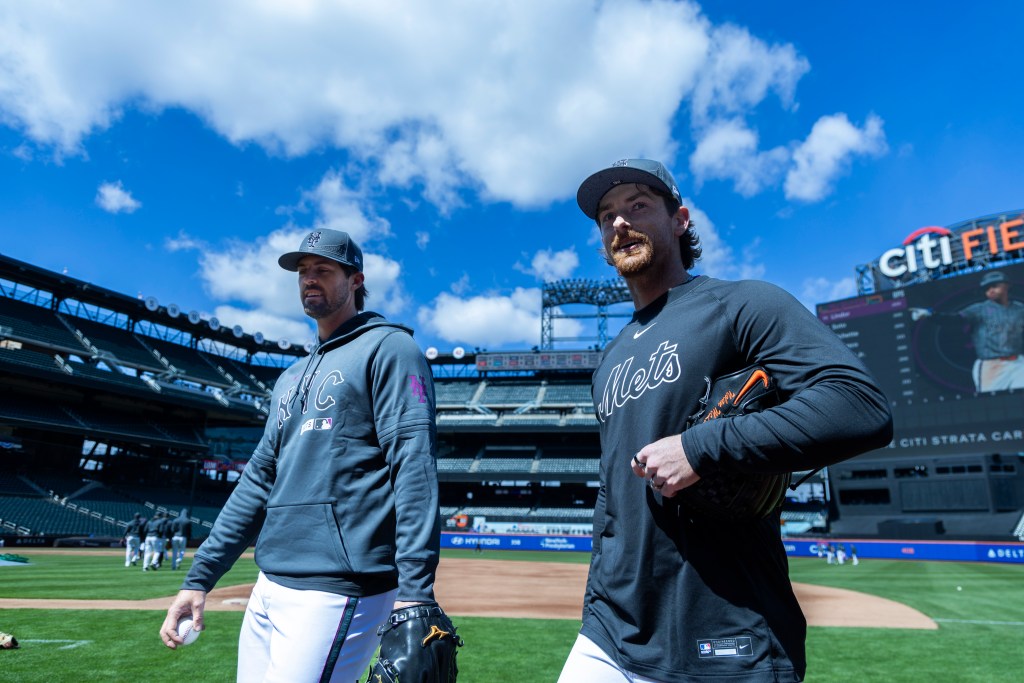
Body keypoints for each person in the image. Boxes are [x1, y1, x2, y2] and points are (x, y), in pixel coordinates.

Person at [558, 159, 893, 682]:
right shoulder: (610, 359)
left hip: (726, 626)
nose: (620, 223)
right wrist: (596, 602)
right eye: (606, 216)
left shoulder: (743, 304)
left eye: (638, 206)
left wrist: (701, 446)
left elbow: (859, 404)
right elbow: (612, 494)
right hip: (609, 633)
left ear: (680, 219)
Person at [159, 229, 442, 683]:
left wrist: (415, 592)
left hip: (339, 588)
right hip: (269, 582)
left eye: (323, 270)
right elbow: (257, 481)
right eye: (303, 273)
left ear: (355, 280)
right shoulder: (290, 377)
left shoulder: (391, 349)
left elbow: (413, 465)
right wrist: (198, 579)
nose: (309, 279)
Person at [910, 270, 1024, 392]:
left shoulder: (1020, 309)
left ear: (1007, 285)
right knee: (993, 401)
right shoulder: (980, 309)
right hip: (992, 365)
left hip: (1018, 362)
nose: (990, 290)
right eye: (987, 288)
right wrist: (930, 315)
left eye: (994, 286)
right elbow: (955, 319)